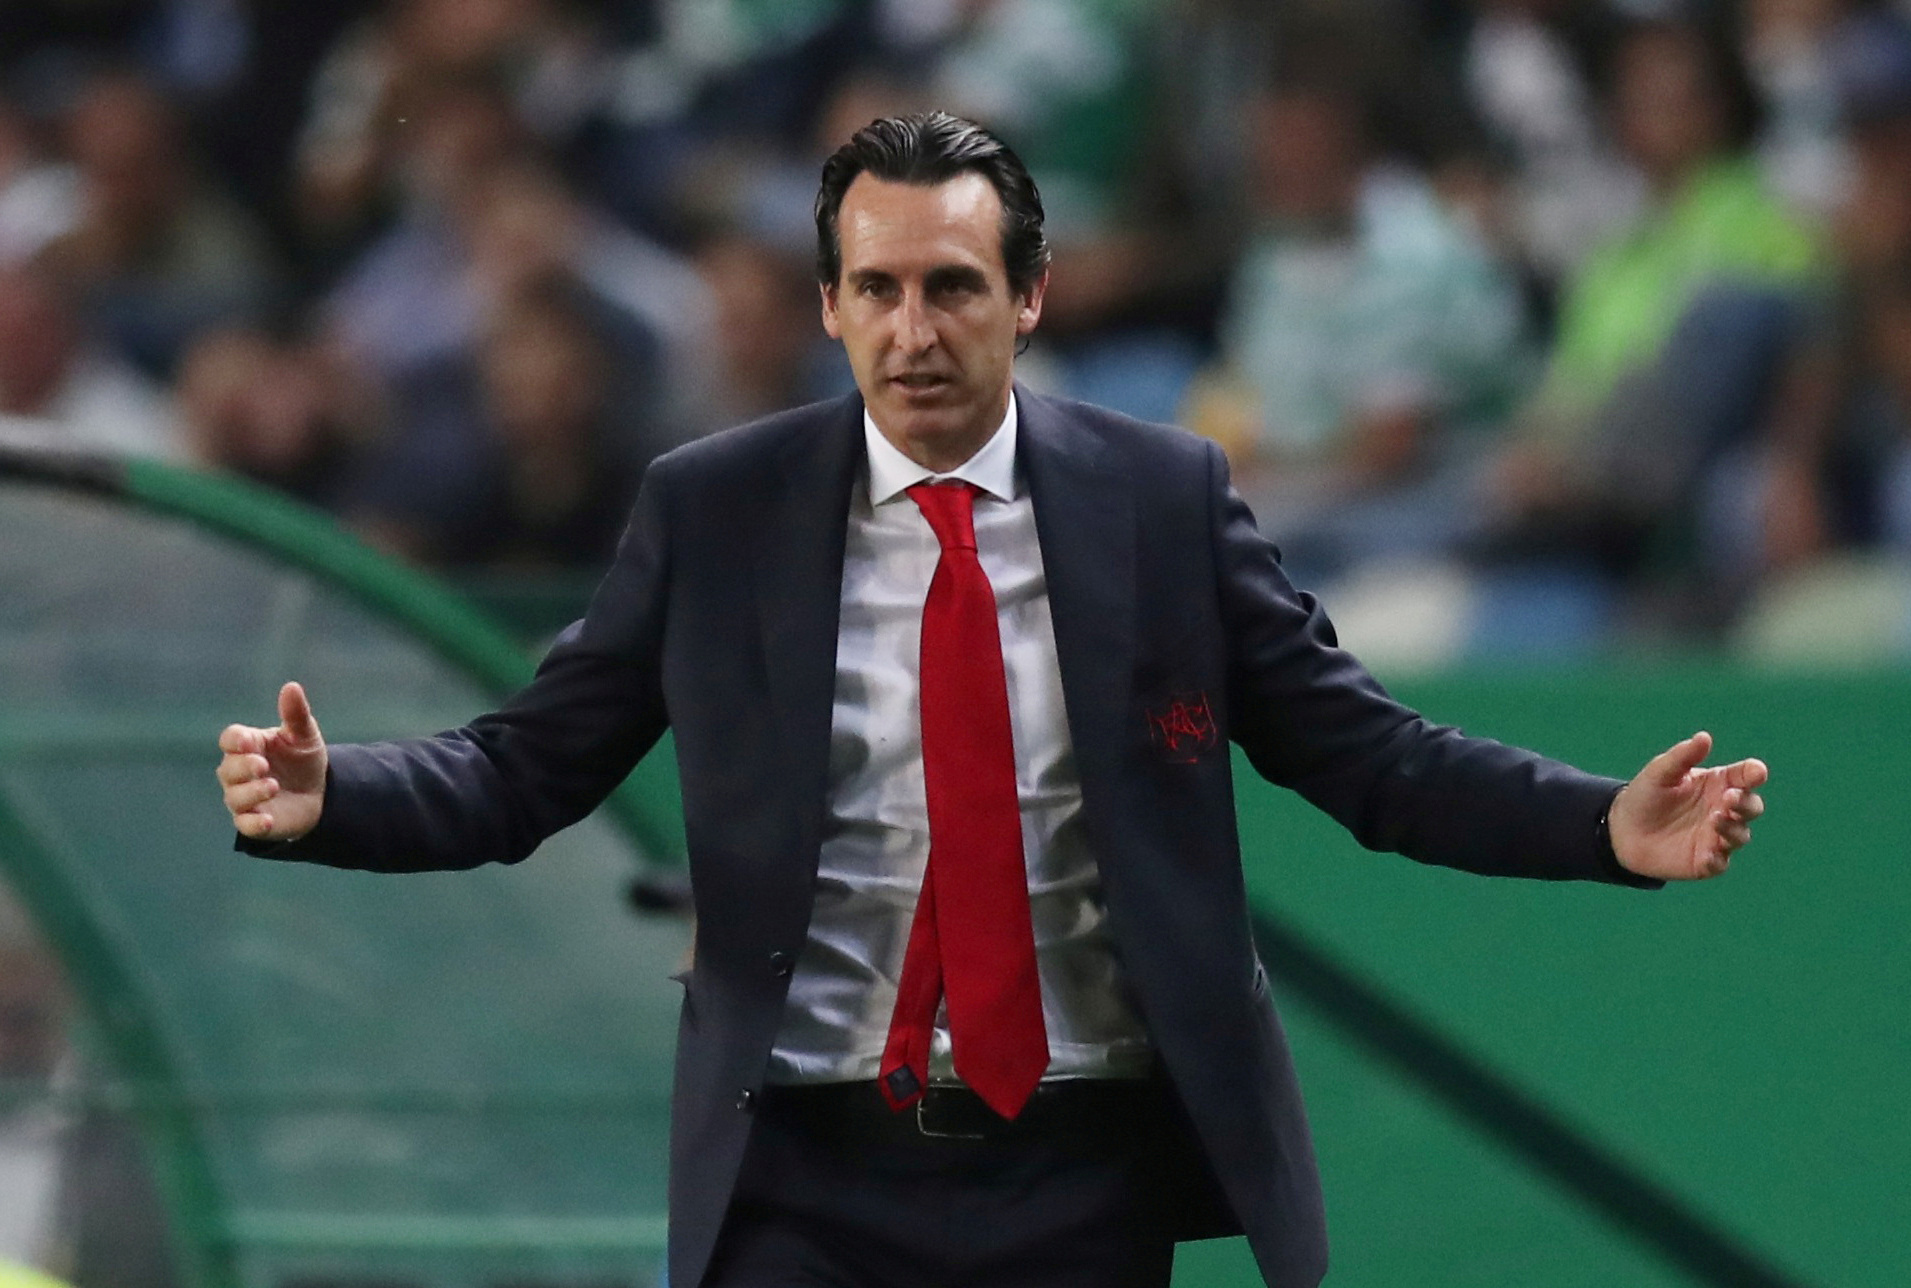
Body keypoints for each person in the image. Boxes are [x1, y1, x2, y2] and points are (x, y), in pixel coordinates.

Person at [215, 113, 1768, 1288]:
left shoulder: (1163, 505)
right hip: (803, 1176)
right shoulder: (715, 513)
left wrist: (1600, 830)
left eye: (953, 287)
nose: (914, 332)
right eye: (877, 289)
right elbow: (523, 768)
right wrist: (336, 795)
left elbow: (1372, 758)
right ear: (829, 307)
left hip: (1078, 1178)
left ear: (1029, 298)